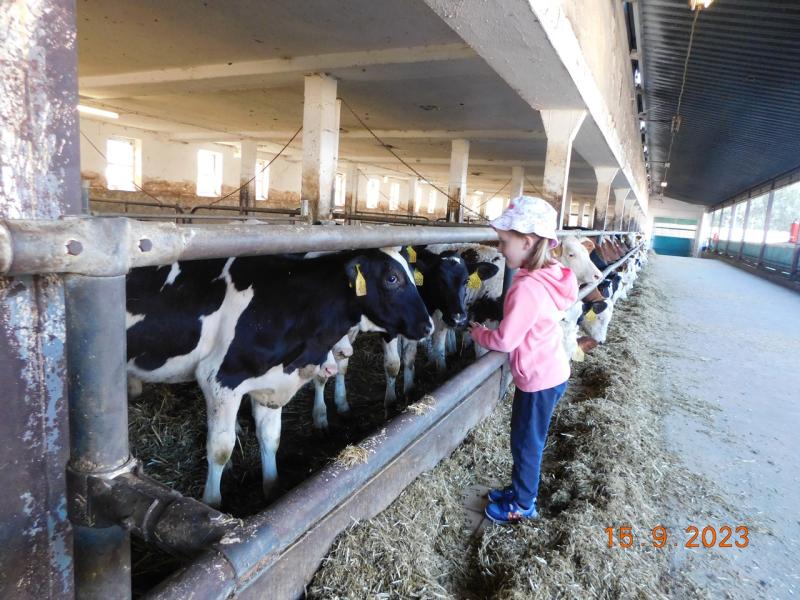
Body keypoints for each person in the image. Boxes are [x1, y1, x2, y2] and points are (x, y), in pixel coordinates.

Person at [469, 195, 578, 523]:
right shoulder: (551, 274)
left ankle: (523, 504)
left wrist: (480, 333)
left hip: (538, 379)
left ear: (528, 242)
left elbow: (505, 340)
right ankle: (520, 490)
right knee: (525, 439)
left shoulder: (527, 287)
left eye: (504, 242)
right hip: (550, 371)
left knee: (526, 443)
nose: (500, 249)